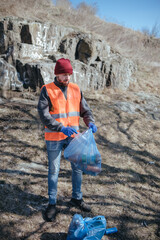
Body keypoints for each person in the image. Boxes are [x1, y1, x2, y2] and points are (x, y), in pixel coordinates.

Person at [37, 58, 97, 221]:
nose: (67, 78)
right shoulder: (46, 90)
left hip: (74, 137)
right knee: (54, 170)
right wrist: (61, 127)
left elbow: (85, 110)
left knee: (77, 168)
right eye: (64, 75)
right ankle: (52, 203)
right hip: (54, 136)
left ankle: (77, 198)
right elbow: (44, 115)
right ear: (56, 74)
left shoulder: (76, 89)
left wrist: (90, 122)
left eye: (69, 75)